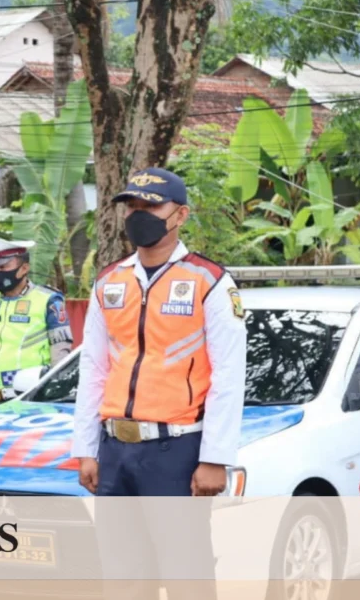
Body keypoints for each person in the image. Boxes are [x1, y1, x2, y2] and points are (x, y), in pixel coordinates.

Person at [71, 167, 247, 600]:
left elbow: (228, 375)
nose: (138, 214)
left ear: (180, 215)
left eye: (151, 206)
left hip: (177, 451)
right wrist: (86, 449)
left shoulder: (209, 281)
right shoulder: (110, 281)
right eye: (132, 206)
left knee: (187, 576)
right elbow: (93, 367)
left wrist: (215, 458)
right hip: (114, 451)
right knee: (123, 578)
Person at [0, 237, 73, 407]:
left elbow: (60, 353)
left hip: (32, 399)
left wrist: (57, 392)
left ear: (24, 268)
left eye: (4, 267)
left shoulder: (48, 300)